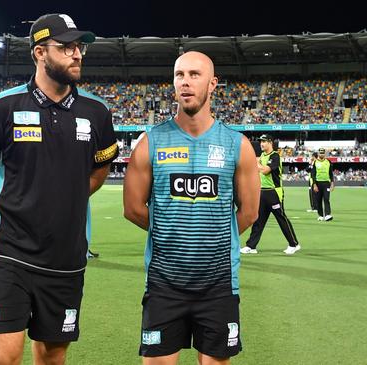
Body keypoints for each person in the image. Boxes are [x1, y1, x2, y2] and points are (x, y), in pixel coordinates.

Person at [0, 13, 118, 365]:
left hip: (66, 259)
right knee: (3, 356)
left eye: (79, 47)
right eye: (66, 47)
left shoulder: (97, 112)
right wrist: (20, 208)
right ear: (39, 53)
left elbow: (99, 170)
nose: (77, 54)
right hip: (9, 253)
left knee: (52, 357)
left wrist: (62, 201)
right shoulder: (2, 107)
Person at [123, 51, 260, 365]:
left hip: (219, 284)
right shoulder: (150, 142)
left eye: (195, 75)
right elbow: (132, 208)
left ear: (213, 84)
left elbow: (249, 212)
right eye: (179, 75)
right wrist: (171, 231)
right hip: (163, 283)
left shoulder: (237, 145)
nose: (185, 82)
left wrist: (212, 235)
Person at [240, 134, 301, 255]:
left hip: (274, 192)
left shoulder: (275, 156)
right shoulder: (263, 155)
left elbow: (266, 170)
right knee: (258, 221)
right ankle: (251, 246)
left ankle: (294, 244)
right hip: (262, 192)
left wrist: (254, 162)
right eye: (261, 142)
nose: (261, 144)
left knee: (281, 219)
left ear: (270, 142)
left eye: (264, 142)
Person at [312, 147, 334, 221]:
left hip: (326, 183)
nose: (321, 154)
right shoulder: (315, 162)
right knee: (318, 200)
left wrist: (332, 183)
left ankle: (327, 214)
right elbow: (313, 174)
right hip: (318, 183)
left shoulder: (328, 162)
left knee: (326, 199)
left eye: (323, 153)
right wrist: (314, 185)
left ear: (325, 154)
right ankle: (320, 215)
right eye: (320, 153)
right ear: (318, 153)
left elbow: (331, 174)